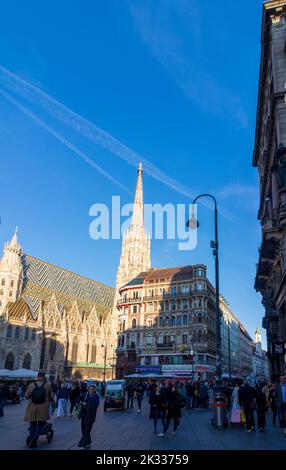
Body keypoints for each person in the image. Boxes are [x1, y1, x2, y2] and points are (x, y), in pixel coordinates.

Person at [24, 371, 53, 448]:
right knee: (40, 424)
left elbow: (26, 396)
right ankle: (34, 439)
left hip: (33, 407)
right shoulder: (48, 385)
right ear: (44, 377)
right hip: (43, 407)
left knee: (32, 424)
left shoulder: (31, 385)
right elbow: (50, 396)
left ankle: (32, 437)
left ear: (37, 377)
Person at [78, 385, 99, 449]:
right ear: (88, 389)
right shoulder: (85, 394)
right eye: (90, 389)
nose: (91, 390)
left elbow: (95, 405)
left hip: (91, 416)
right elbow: (78, 400)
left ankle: (82, 444)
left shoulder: (96, 397)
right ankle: (88, 442)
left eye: (92, 389)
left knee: (87, 430)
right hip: (84, 415)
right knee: (83, 429)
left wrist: (86, 404)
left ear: (94, 390)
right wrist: (81, 403)